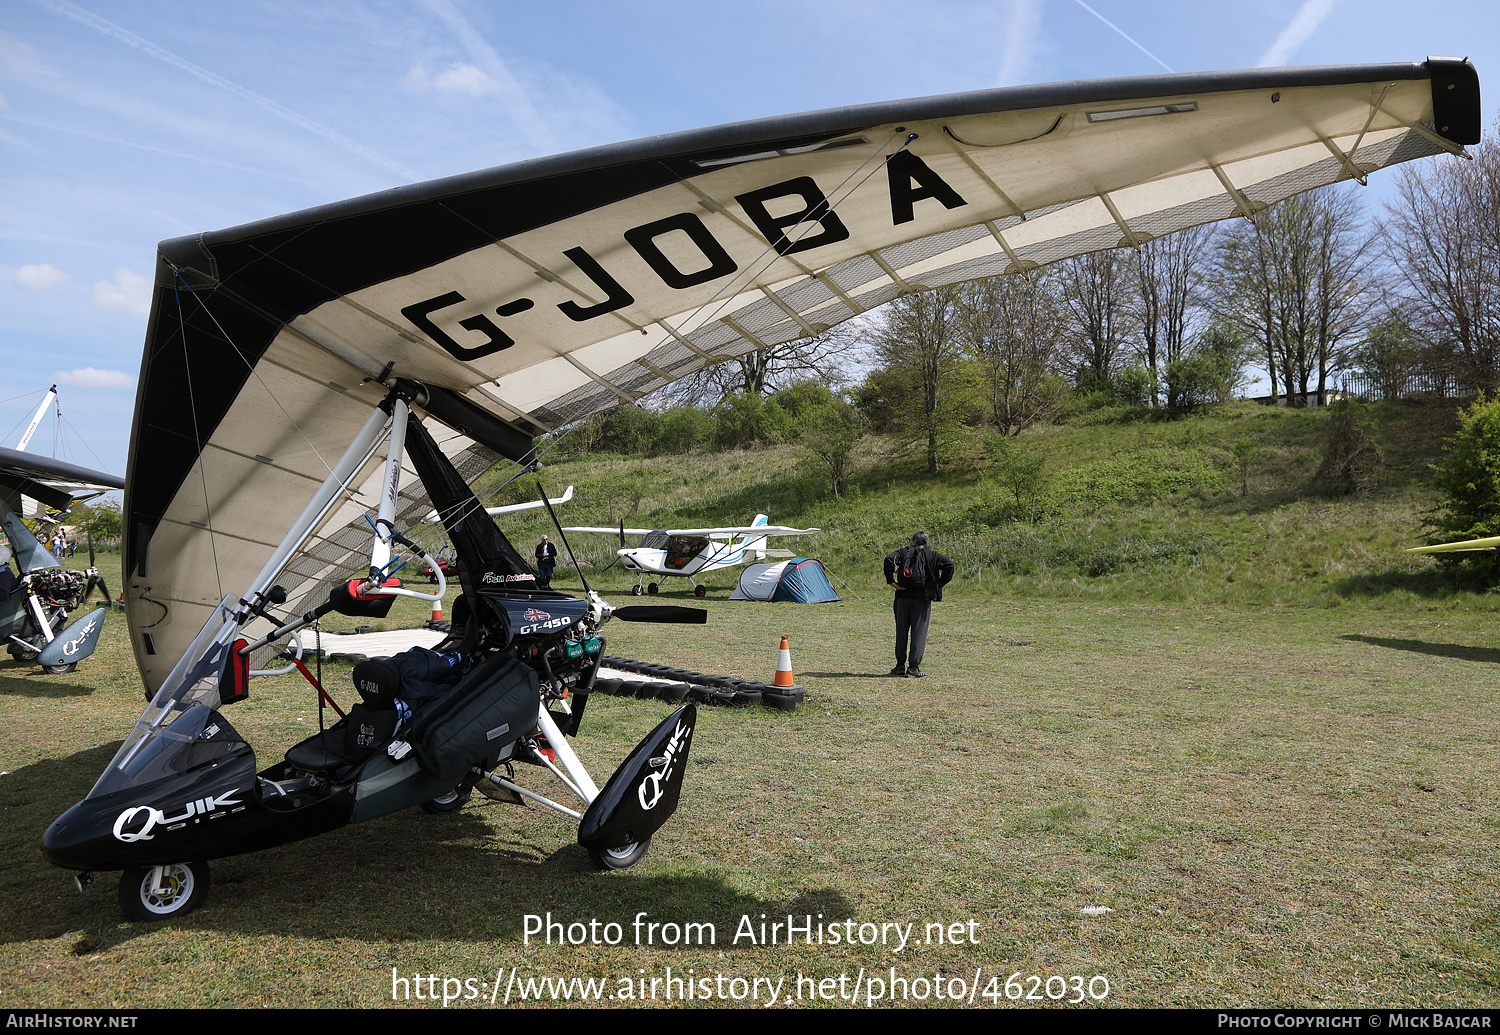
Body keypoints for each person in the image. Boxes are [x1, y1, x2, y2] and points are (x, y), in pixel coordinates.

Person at [883, 531, 954, 678]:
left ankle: (899, 666)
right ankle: (913, 668)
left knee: (901, 632)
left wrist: (891, 581)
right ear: (925, 542)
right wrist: (937, 585)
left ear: (914, 541)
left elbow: (889, 559)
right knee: (919, 633)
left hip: (902, 597)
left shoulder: (903, 552)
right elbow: (949, 566)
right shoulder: (932, 555)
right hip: (923, 599)